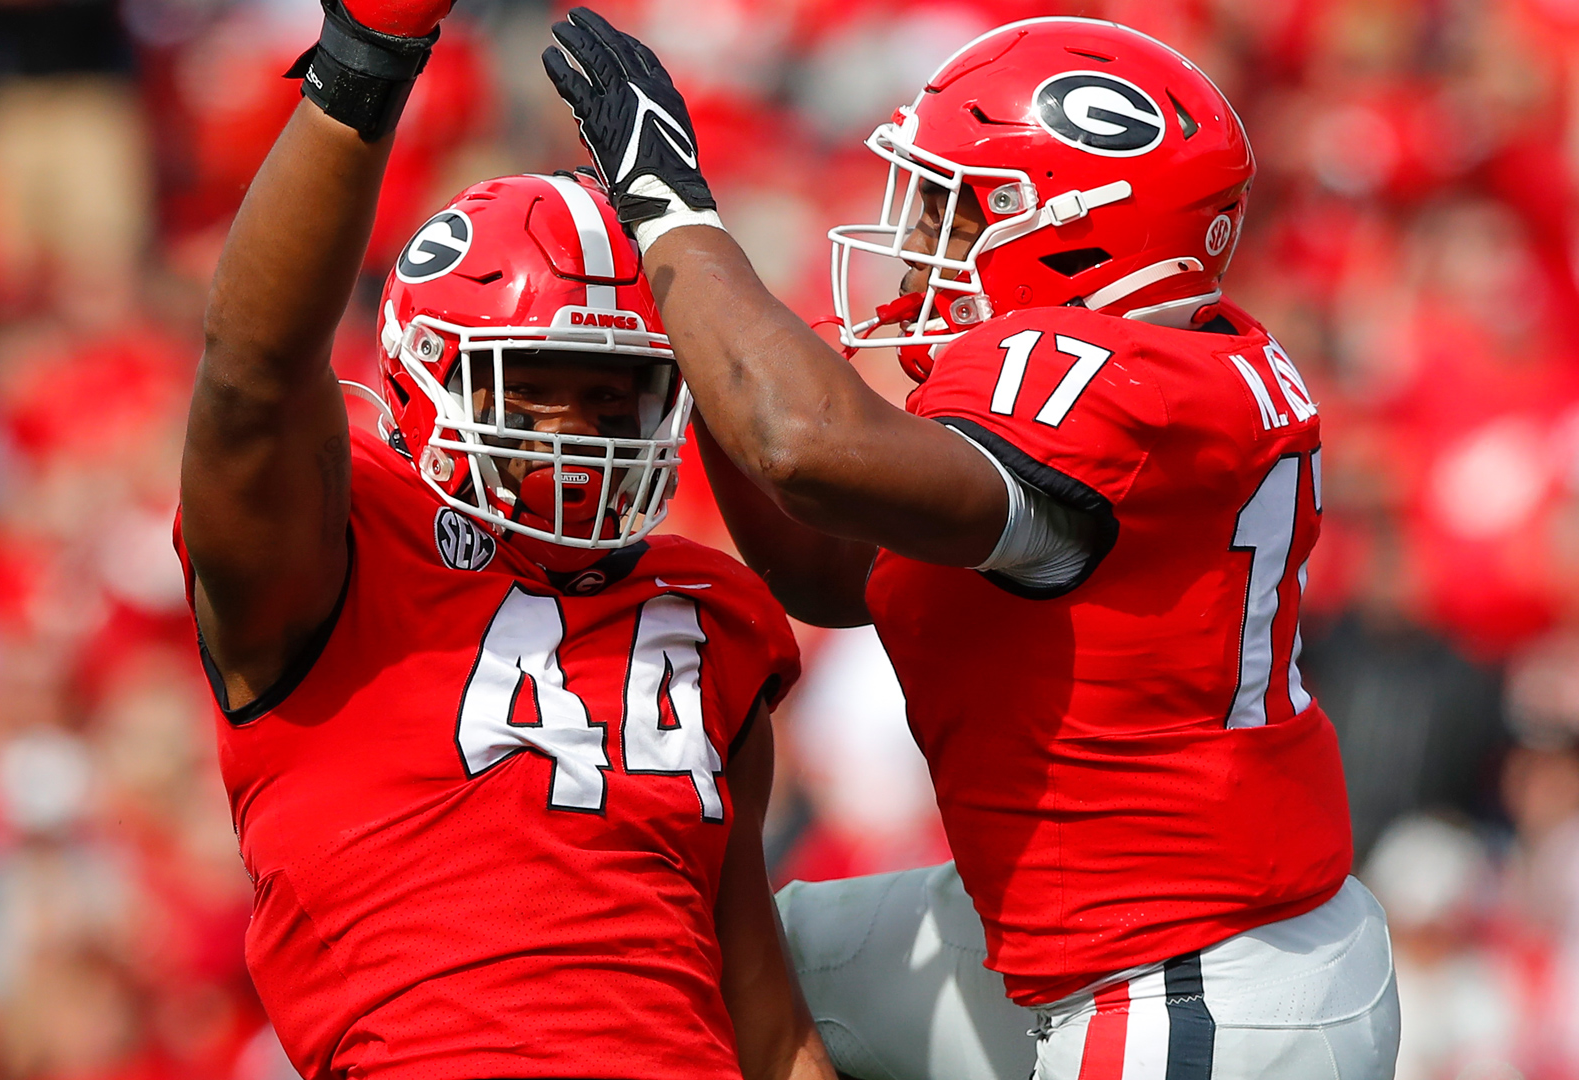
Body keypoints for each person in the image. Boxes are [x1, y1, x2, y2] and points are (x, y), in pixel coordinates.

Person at [542, 10, 1398, 1080]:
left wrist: (673, 216)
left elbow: (803, 447)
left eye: (954, 211)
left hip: (1188, 967)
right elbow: (828, 566)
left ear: (1082, 229)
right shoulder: (1168, 367)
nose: (917, 247)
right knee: (705, 966)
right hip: (1110, 930)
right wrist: (689, 314)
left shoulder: (1112, 387)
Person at [176, 3, 834, 1078]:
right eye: (530, 387)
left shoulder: (709, 616)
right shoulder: (339, 551)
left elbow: (763, 1017)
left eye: (612, 393)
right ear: (424, 370)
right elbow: (251, 376)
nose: (576, 427)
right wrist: (361, 65)